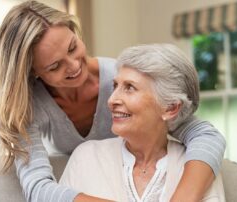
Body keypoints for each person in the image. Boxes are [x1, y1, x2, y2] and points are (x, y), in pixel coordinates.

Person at [0, 1, 226, 202]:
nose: (74, 66)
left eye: (73, 47)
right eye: (55, 66)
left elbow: (204, 134)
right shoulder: (28, 106)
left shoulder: (121, 77)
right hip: (80, 184)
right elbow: (38, 188)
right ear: (34, 72)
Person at [59, 44, 226, 202]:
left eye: (130, 87)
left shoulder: (197, 167)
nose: (111, 100)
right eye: (115, 86)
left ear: (170, 108)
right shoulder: (86, 157)